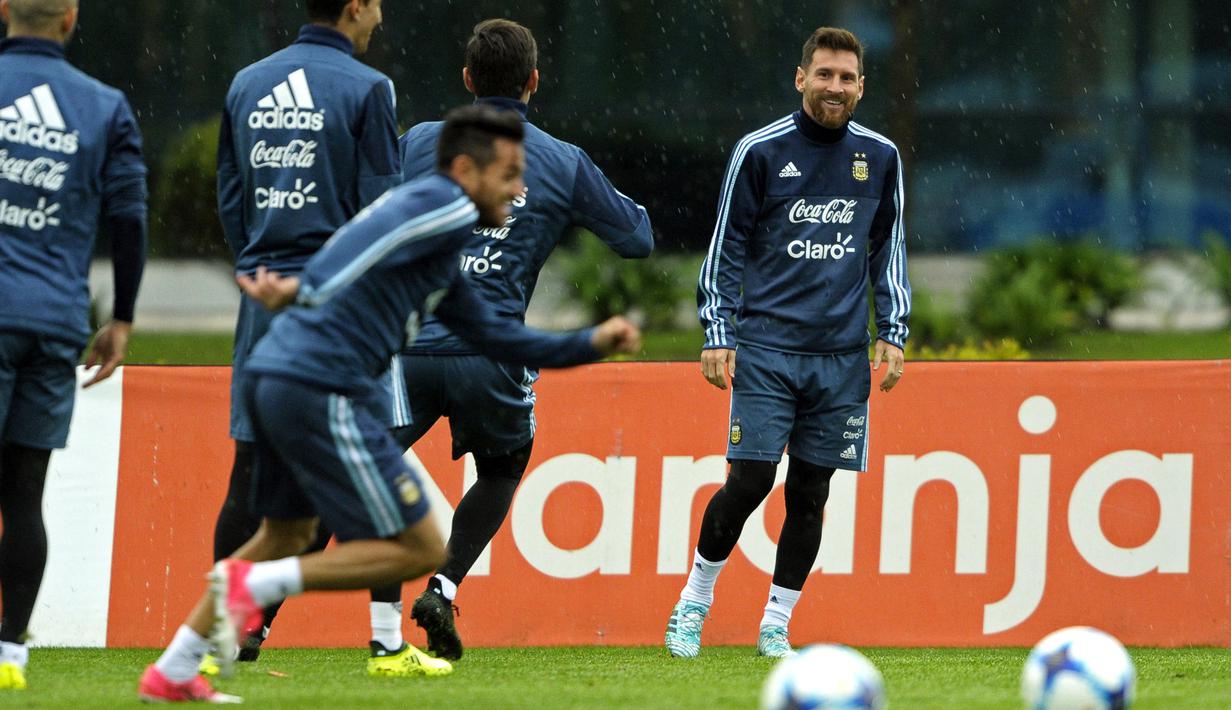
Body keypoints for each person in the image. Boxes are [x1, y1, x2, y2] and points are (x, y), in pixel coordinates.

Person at [137, 104, 641, 703]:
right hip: (319, 387)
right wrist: (305, 288)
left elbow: (500, 337)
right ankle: (256, 586)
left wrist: (591, 344)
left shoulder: (441, 244)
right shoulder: (439, 206)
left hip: (279, 377)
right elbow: (361, 244)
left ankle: (173, 669)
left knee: (284, 533)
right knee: (420, 547)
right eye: (508, 174)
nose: (518, 189)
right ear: (465, 170)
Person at [388, 18, 653, 661]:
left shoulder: (419, 141)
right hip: (492, 355)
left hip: (407, 351)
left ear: (467, 79)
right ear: (534, 80)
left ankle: (256, 619)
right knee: (503, 468)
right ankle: (444, 586)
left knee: (350, 469)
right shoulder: (561, 160)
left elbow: (362, 208)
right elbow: (637, 238)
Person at [664, 26, 910, 659]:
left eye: (847, 77)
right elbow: (726, 245)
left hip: (841, 358)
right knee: (749, 480)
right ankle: (693, 602)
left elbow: (887, 249)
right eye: (824, 74)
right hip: (768, 349)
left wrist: (893, 330)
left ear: (862, 87)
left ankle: (776, 623)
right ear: (801, 78)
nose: (835, 87)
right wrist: (718, 330)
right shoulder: (761, 151)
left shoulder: (880, 156)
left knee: (810, 495)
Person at [208, 0, 405, 673]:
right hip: (343, 308)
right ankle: (387, 642)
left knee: (249, 473)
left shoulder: (247, 82)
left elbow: (230, 190)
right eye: (375, 3)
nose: (380, 16)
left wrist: (258, 265)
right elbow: (382, 210)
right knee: (374, 462)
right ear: (353, 8)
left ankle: (222, 637)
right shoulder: (368, 88)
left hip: (264, 303)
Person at [0, 0, 147, 691]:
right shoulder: (105, 106)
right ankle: (10, 655)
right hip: (54, 321)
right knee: (25, 493)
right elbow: (129, 217)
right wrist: (122, 318)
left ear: (4, 10)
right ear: (70, 18)